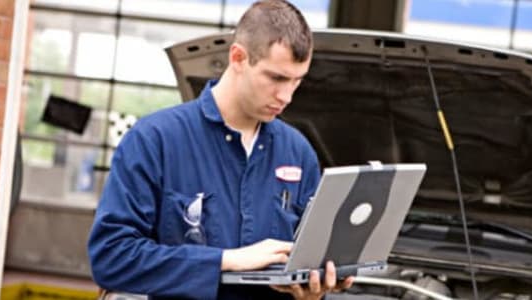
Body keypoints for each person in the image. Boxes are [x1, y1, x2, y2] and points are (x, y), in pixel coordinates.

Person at [87, 1, 354, 299]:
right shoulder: (154, 141)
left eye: (297, 81)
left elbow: (307, 262)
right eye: (276, 78)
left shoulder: (298, 152)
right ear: (238, 57)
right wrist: (226, 261)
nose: (287, 96)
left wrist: (313, 290)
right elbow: (112, 258)